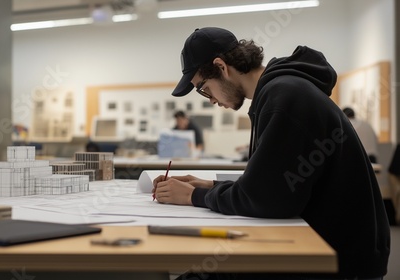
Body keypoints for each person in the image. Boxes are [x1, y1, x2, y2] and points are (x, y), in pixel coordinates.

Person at [153, 27, 389, 279]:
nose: (209, 99)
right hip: (323, 240)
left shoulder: (285, 97)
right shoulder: (279, 91)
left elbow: (268, 200)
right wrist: (209, 185)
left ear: (221, 67)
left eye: (203, 87)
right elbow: (272, 186)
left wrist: (194, 196)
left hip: (338, 258)